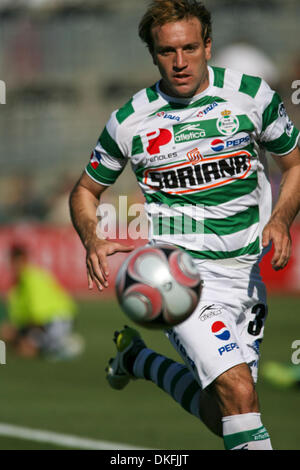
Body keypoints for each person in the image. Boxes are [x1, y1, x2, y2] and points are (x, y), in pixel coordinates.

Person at [69, 0, 300, 450]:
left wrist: (281, 220)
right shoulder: (129, 121)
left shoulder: (252, 96)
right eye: (167, 52)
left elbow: (295, 165)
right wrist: (92, 236)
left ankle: (139, 361)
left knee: (226, 414)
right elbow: (84, 190)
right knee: (239, 393)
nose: (180, 62)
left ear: (208, 46)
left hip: (247, 275)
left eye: (190, 48)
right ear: (153, 55)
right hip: (180, 277)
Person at [1, 244, 83, 360]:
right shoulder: (17, 286)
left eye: (16, 262)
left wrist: (18, 332)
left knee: (26, 347)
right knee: (17, 344)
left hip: (56, 319)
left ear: (24, 260)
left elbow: (38, 317)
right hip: (41, 323)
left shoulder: (32, 279)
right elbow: (18, 316)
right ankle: (52, 344)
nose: (14, 266)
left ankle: (59, 344)